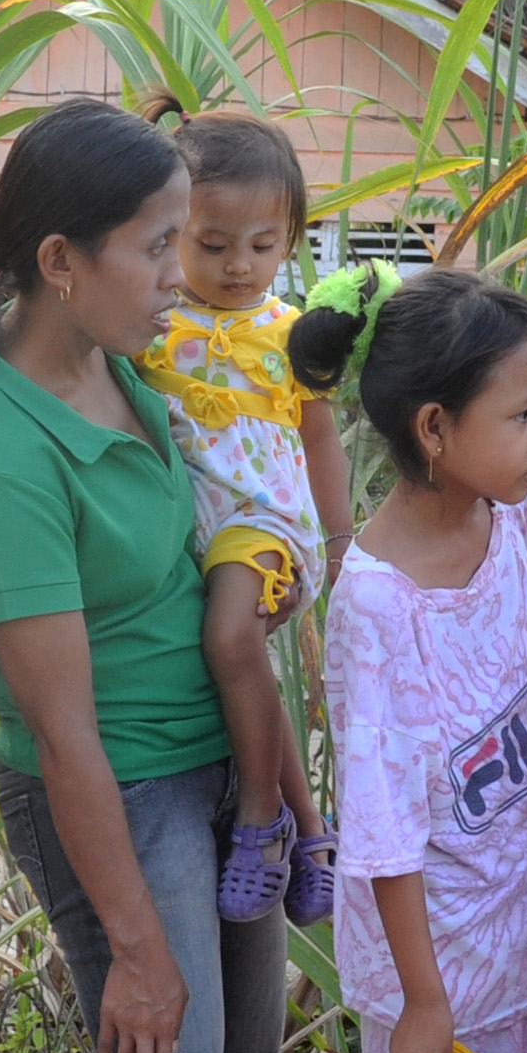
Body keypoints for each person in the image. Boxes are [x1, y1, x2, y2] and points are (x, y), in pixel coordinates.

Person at [0, 99, 263, 1053]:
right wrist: (137, 949)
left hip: (208, 765)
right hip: (123, 792)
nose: (178, 275)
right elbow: (63, 739)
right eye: (154, 247)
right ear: (61, 260)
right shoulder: (0, 459)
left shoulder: (118, 366)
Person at [290, 261, 527, 1053]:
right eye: (522, 415)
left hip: (514, 934)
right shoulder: (380, 605)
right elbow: (383, 825)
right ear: (435, 428)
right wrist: (422, 999)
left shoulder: (510, 518)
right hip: (438, 973)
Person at [135, 103, 352, 927]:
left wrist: (339, 541)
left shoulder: (293, 335)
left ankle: (261, 821)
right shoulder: (150, 322)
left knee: (231, 640)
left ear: (290, 241)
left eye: (263, 246)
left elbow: (321, 439)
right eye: (214, 243)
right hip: (190, 526)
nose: (239, 266)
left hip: (263, 519)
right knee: (246, 667)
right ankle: (313, 833)